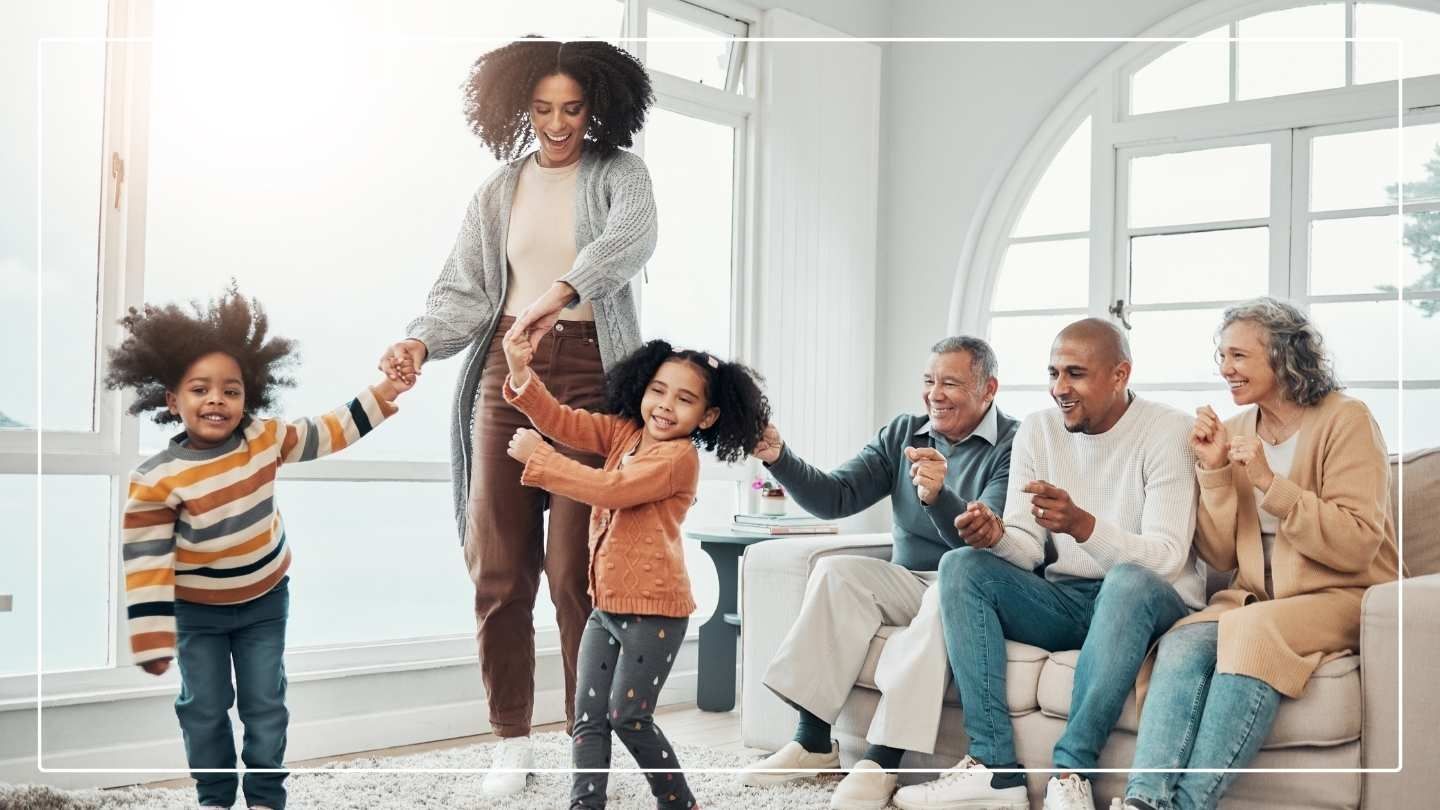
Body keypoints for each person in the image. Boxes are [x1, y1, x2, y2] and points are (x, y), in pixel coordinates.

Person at [376, 37, 657, 797]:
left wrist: (558, 293)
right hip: (508, 372)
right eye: (542, 109)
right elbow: (463, 291)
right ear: (517, 109)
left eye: (573, 108)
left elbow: (628, 241)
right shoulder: (498, 191)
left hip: (592, 375)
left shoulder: (620, 174)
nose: (558, 124)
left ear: (598, 107)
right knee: (499, 571)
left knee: (574, 574)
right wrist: (417, 342)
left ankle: (585, 739)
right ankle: (510, 741)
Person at [106, 286, 410, 810]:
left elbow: (327, 432)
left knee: (265, 705)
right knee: (203, 708)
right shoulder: (155, 479)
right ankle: (214, 797)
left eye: (231, 390)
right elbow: (146, 559)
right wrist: (151, 638)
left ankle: (266, 797)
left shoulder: (263, 439)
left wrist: (386, 390)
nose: (216, 400)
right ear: (172, 401)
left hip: (264, 602)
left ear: (249, 395)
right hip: (196, 613)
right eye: (200, 389)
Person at [892, 318, 1204, 810]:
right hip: (1069, 601)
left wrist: (1082, 525)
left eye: (1075, 374)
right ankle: (995, 770)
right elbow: (1028, 548)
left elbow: (1165, 558)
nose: (1060, 388)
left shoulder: (1168, 431)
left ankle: (1071, 773)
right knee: (962, 565)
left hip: (1148, 604)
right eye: (1053, 373)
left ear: (1120, 375)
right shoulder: (1039, 430)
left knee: (1127, 581)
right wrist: (996, 537)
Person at [1120, 298, 1401, 810]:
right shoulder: (1238, 431)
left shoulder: (1347, 420)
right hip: (1255, 599)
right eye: (1222, 356)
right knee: (1182, 642)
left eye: (1239, 356)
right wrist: (1213, 472)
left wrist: (1271, 484)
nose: (1225, 369)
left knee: (1250, 630)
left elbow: (1359, 541)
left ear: (1283, 357)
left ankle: (1188, 805)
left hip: (1342, 595)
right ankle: (1144, 799)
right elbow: (1219, 555)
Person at [740, 336, 1019, 810]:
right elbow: (837, 496)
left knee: (947, 588)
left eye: (951, 383)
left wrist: (939, 497)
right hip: (908, 581)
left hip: (973, 584)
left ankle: (882, 762)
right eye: (929, 381)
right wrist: (779, 458)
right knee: (835, 572)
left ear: (988, 389)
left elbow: (981, 540)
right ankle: (812, 741)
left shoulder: (1014, 445)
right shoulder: (905, 433)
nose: (935, 394)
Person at [501, 329, 769, 810]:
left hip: (655, 614)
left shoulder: (677, 458)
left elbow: (612, 490)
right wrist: (521, 373)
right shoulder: (626, 433)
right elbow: (564, 422)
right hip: (604, 607)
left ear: (707, 416)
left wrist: (540, 459)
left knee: (629, 717)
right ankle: (585, 804)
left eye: (684, 399)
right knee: (588, 717)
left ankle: (679, 802)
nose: (666, 406)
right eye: (658, 390)